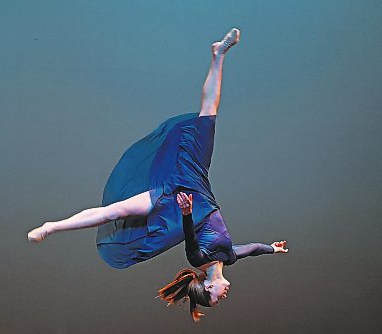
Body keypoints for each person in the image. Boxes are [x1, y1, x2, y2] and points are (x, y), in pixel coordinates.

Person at [27, 28, 289, 321]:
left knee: (115, 211)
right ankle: (218, 54)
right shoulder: (228, 257)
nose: (223, 297)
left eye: (215, 299)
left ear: (207, 285)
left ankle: (52, 226)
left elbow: (190, 237)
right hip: (196, 184)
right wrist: (272, 249)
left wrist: (187, 212)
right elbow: (250, 249)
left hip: (177, 207)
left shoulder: (199, 259)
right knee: (208, 116)